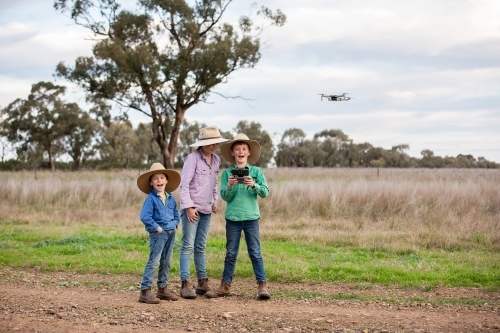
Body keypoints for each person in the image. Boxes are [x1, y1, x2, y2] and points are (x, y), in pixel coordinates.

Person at [217, 133, 271, 300]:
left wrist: (254, 184)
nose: (240, 151)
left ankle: (262, 285)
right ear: (232, 153)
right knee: (231, 253)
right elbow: (225, 197)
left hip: (251, 218)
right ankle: (225, 285)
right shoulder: (227, 174)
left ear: (248, 153)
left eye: (244, 149)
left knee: (255, 252)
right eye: (237, 149)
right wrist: (231, 186)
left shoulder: (256, 172)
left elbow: (265, 192)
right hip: (232, 218)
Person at [178, 126, 228, 299]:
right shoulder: (192, 159)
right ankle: (185, 284)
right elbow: (184, 185)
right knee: (188, 245)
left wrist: (214, 201)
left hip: (206, 208)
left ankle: (202, 282)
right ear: (202, 143)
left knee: (200, 246)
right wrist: (189, 207)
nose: (213, 146)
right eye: (210, 143)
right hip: (192, 208)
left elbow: (214, 183)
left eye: (216, 143)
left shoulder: (216, 160)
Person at [137, 162, 181, 304]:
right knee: (154, 260)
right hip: (159, 233)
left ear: (166, 181)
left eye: (162, 178)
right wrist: (157, 227)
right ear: (151, 182)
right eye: (155, 178)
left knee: (166, 261)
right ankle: (145, 291)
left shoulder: (170, 197)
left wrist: (174, 224)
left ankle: (162, 289)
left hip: (170, 232)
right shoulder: (151, 199)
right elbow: (145, 216)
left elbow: (176, 213)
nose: (159, 181)